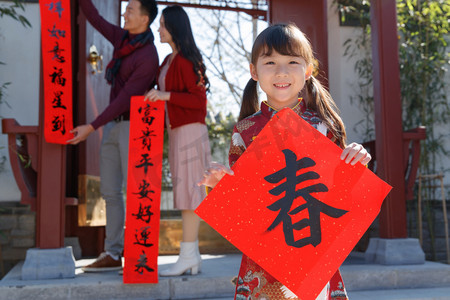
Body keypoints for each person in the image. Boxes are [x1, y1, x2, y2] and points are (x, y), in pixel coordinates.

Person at [198, 24, 371, 299]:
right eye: (270, 62)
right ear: (254, 71)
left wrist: (356, 160)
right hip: (264, 252)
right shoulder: (245, 131)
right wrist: (222, 186)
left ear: (308, 70)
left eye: (292, 61)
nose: (281, 71)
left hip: (312, 247)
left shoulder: (324, 127)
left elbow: (340, 191)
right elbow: (242, 208)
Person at [67, 0, 159, 272]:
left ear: (145, 18)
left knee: (135, 192)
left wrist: (92, 126)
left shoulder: (149, 56)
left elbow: (125, 100)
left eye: (131, 9)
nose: (125, 13)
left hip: (134, 125)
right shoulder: (121, 37)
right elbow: (94, 17)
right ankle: (112, 252)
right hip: (111, 126)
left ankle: (136, 254)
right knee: (110, 191)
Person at [144, 5, 211, 276]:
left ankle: (187, 256)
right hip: (178, 131)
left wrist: (165, 96)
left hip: (190, 131)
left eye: (161, 24)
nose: (158, 29)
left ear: (174, 28)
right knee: (187, 193)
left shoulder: (185, 61)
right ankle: (191, 257)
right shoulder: (169, 60)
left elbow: (199, 102)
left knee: (190, 194)